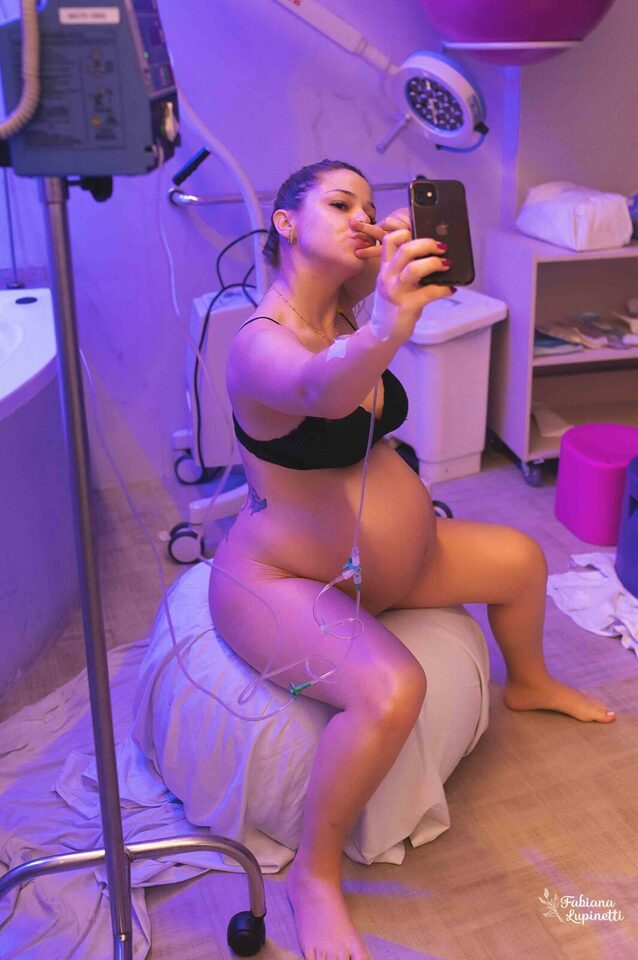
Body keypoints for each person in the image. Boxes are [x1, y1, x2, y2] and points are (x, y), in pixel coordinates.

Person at [208, 159, 615, 960]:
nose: (361, 216)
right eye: (339, 203)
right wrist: (387, 321)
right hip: (285, 580)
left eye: (369, 204)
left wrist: (394, 261)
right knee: (394, 691)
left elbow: (400, 310)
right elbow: (322, 391)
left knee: (522, 558)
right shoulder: (258, 344)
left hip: (399, 563)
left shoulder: (345, 310)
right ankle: (314, 876)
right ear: (285, 223)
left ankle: (529, 683)